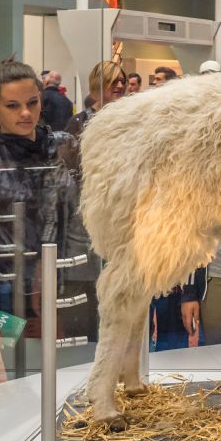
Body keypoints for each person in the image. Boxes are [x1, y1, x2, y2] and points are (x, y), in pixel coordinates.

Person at [0, 59, 75, 369]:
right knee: (28, 381)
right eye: (13, 105)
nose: (25, 113)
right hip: (12, 290)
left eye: (32, 103)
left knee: (75, 379)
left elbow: (77, 216)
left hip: (67, 283)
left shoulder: (62, 147)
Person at [63, 61, 128, 340]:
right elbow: (68, 170)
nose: (119, 86)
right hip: (86, 219)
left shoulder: (132, 119)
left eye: (121, 81)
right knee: (88, 299)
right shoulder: (79, 123)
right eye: (113, 82)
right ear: (95, 88)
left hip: (124, 216)